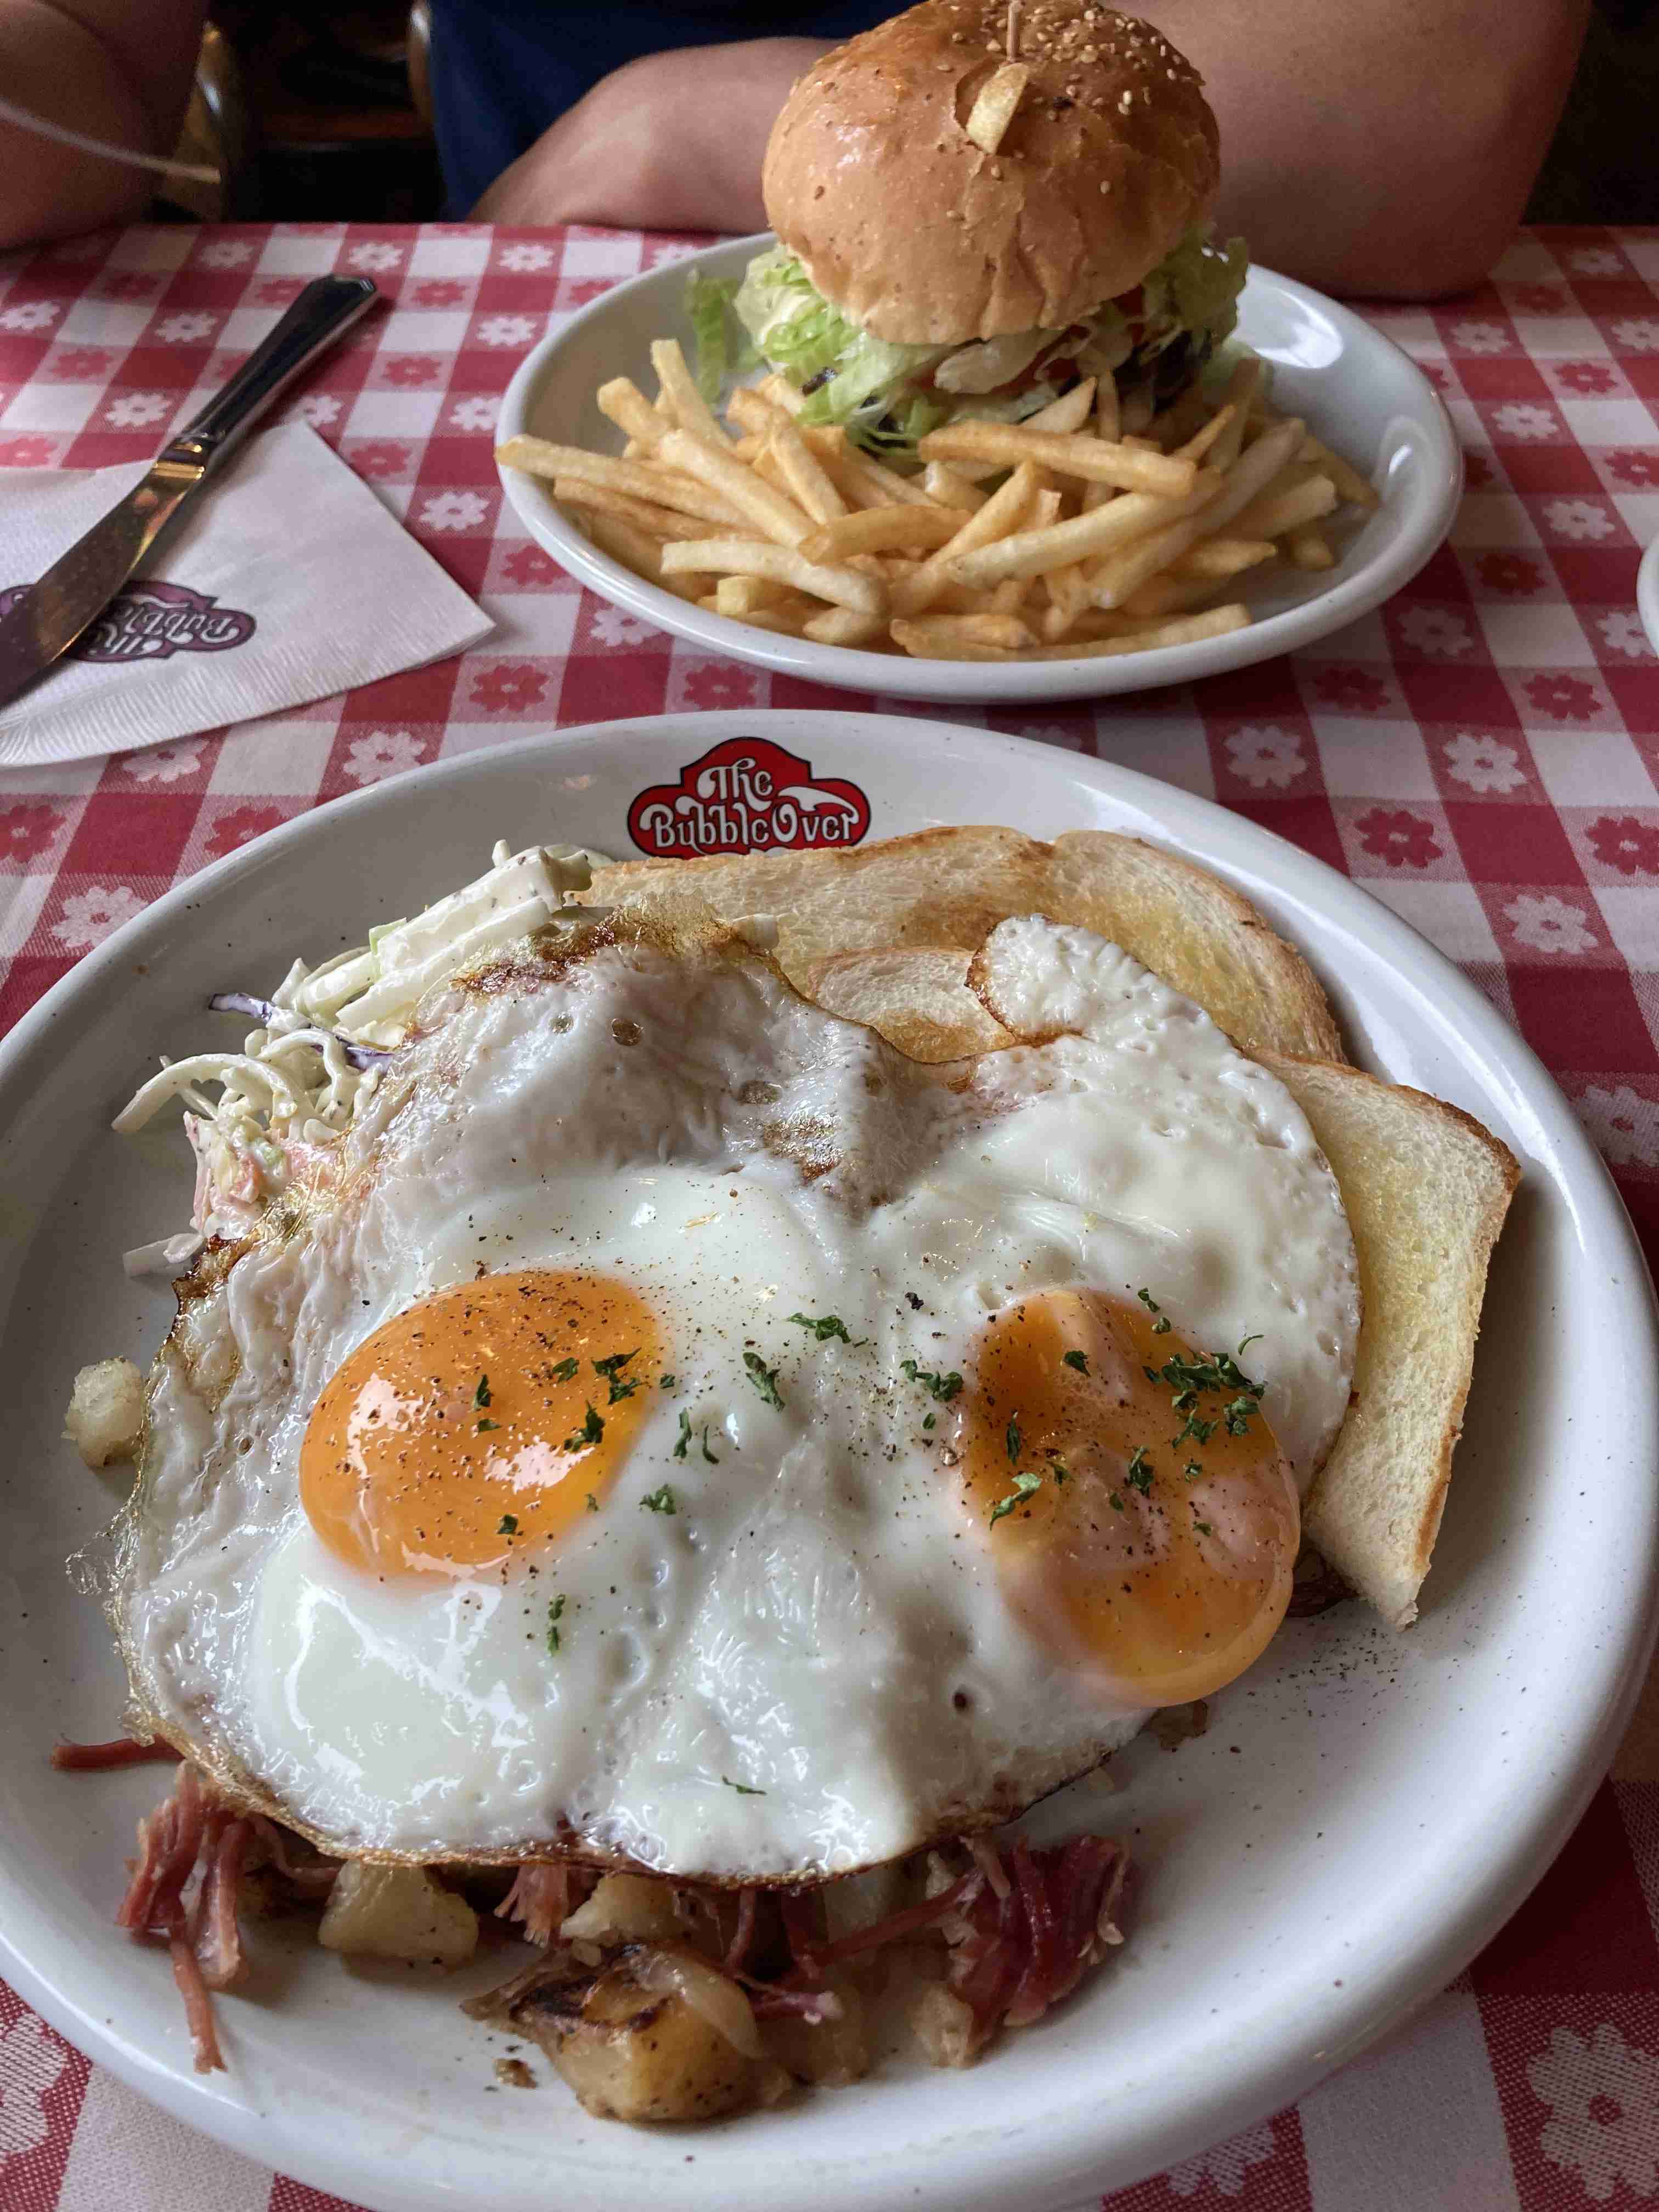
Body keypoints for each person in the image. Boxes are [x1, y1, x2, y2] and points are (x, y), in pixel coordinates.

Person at [0, 0, 1594, 298]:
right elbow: (82, 72)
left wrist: (685, 119)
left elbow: (1434, 108)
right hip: (540, 324)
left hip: (1188, 292)